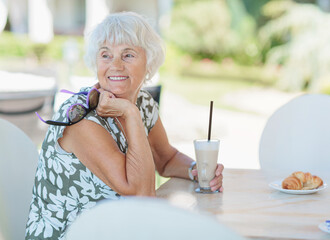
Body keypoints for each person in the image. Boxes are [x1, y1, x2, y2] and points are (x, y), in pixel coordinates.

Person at [25, 12, 224, 239]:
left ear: (149, 62)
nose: (115, 65)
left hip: (120, 229)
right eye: (106, 55)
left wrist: (196, 170)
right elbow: (141, 197)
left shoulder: (143, 102)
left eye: (128, 55)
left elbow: (166, 159)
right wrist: (130, 114)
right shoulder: (81, 119)